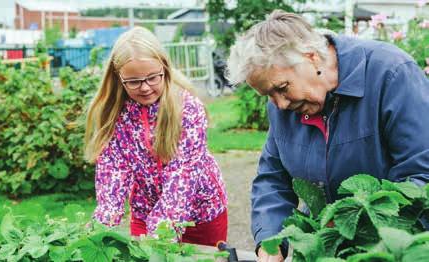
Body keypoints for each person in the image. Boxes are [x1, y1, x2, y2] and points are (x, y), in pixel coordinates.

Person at [227, 10, 429, 261]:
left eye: (281, 88)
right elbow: (273, 179)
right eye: (268, 95)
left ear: (310, 58)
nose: (278, 104)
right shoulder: (285, 104)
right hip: (325, 250)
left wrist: (352, 224)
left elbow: (421, 175)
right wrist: (271, 239)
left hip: (394, 247)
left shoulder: (391, 73)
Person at [84, 27, 228, 246]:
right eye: (133, 81)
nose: (145, 88)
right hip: (145, 212)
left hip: (201, 214)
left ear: (165, 68)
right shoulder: (116, 115)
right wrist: (101, 228)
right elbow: (113, 173)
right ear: (118, 78)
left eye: (152, 77)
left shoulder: (187, 109)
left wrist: (159, 235)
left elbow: (183, 174)